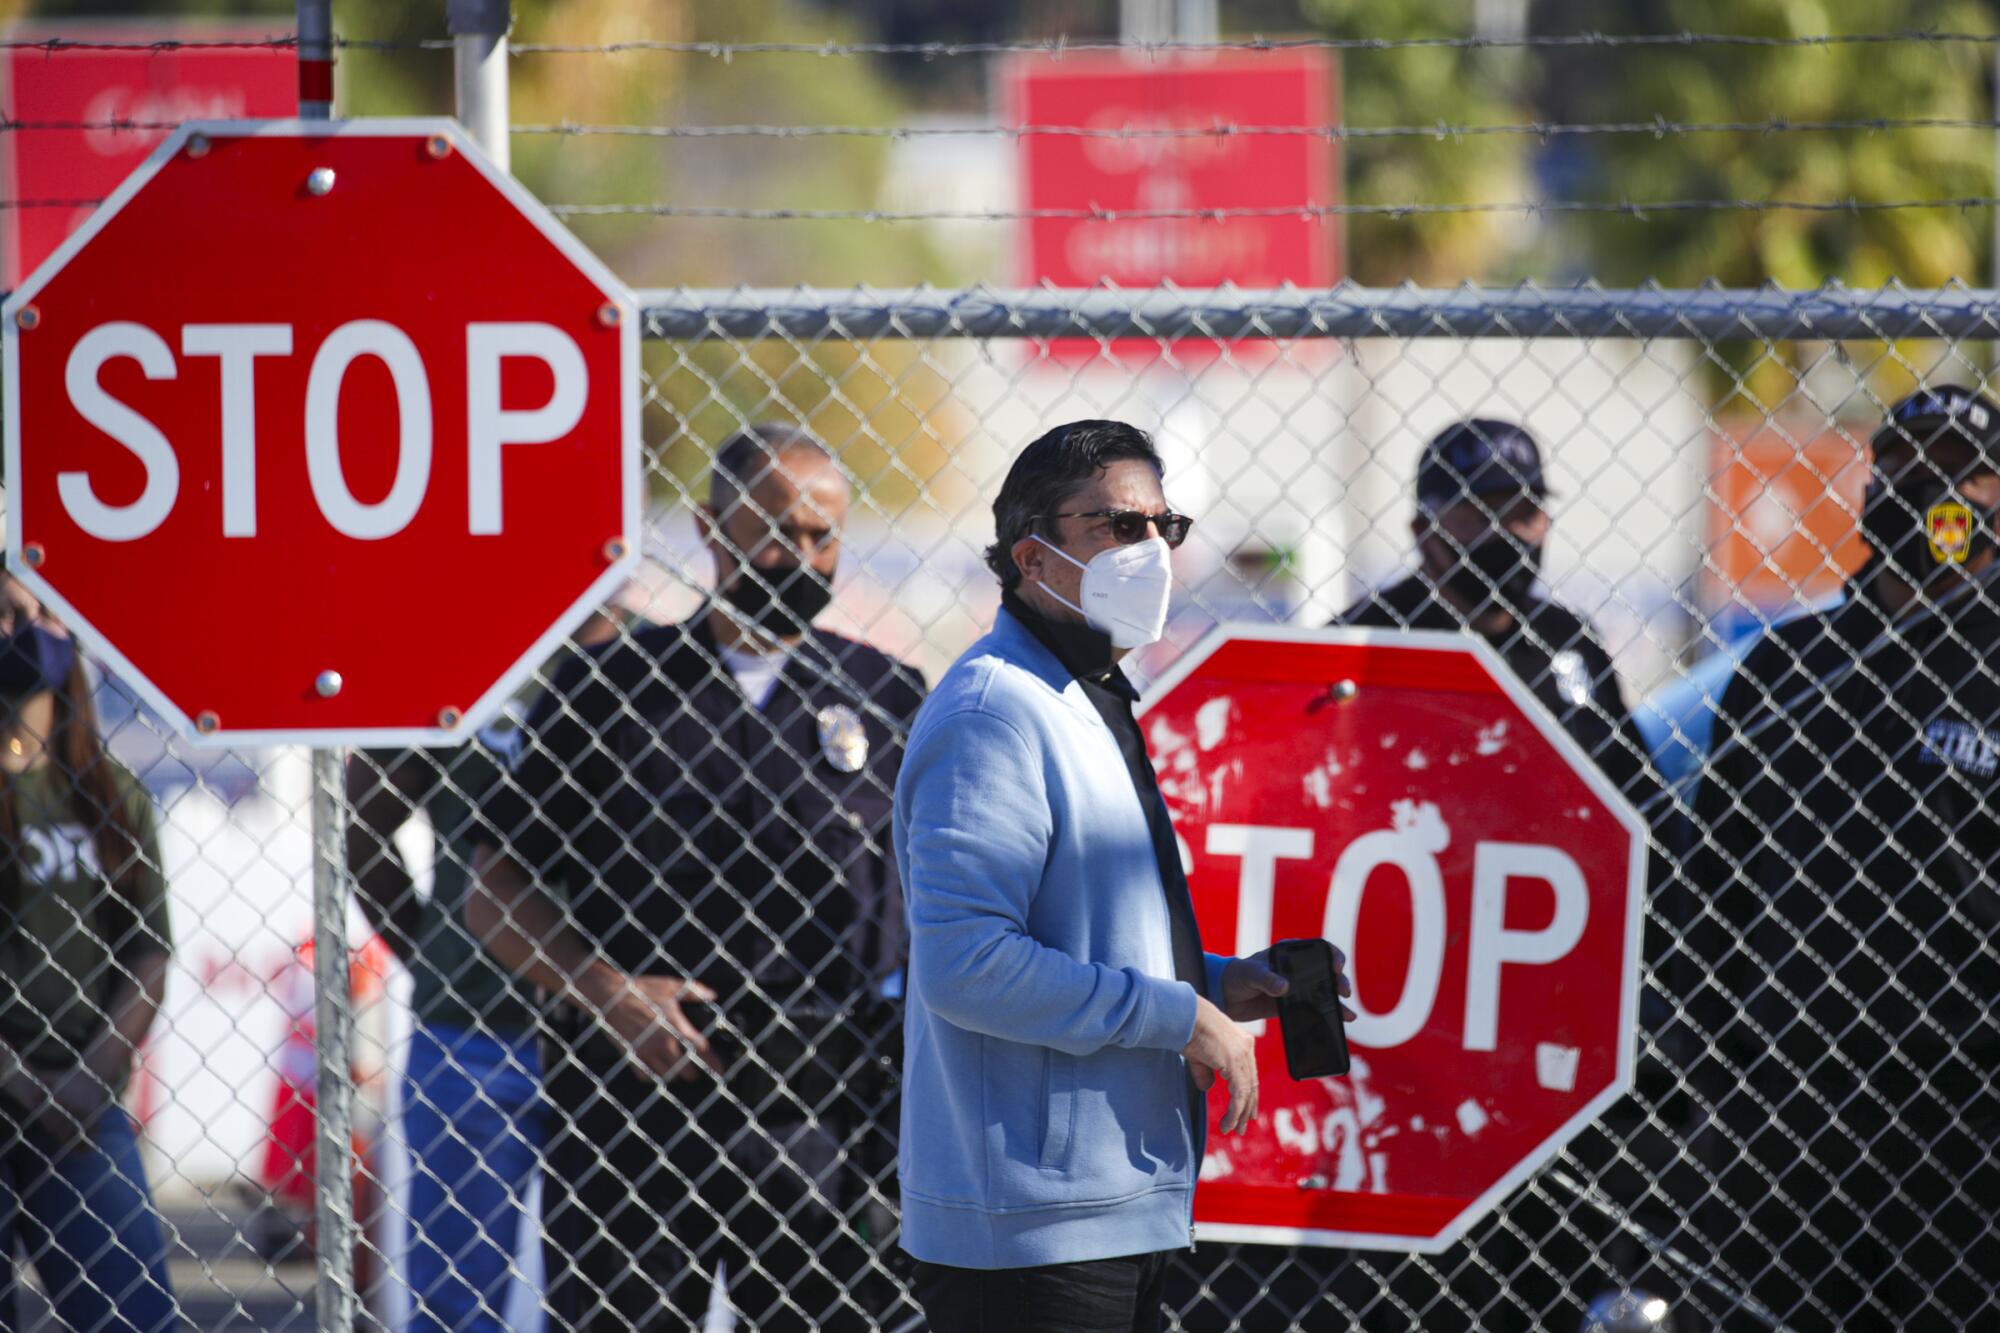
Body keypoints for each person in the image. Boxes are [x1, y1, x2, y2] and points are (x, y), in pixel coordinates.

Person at [895, 418, 1352, 1333]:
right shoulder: (995, 711)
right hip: (1030, 1234)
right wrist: (1179, 1014)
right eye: (1117, 526)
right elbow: (968, 965)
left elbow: (1088, 940)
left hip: (1112, 1210)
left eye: (1163, 526)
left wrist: (1224, 983)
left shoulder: (1086, 697)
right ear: (1033, 555)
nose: (1152, 550)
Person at [467, 423, 924, 1332]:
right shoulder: (604, 690)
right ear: (711, 530)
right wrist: (605, 993)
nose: (803, 557)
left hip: (822, 1114)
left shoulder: (892, 696)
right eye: (777, 531)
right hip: (633, 1114)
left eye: (823, 536)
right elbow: (492, 888)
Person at [1685, 384, 2000, 1328]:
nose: (1929, 492)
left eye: (1960, 475)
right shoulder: (1789, 666)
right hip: (1788, 1112)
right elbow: (1712, 884)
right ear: (1870, 487)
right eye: (1907, 469)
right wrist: (1716, 1071)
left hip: (1968, 1119)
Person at [345, 603, 636, 1332]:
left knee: (616, 1305)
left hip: (621, 1036)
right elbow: (365, 827)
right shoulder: (465, 649)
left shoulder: (661, 663)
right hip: (474, 1032)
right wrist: (441, 949)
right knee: (452, 1308)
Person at [0, 574, 177, 1331]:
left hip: (83, 1105)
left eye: (42, 614)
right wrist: (22, 1082)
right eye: (9, 611)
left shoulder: (113, 794)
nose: (25, 628)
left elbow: (148, 952)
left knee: (134, 1314)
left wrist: (88, 1079)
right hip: (19, 1086)